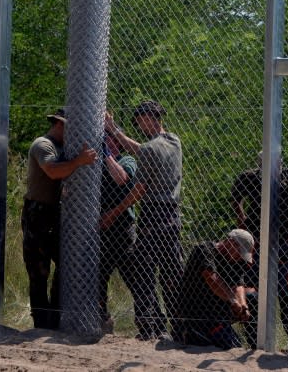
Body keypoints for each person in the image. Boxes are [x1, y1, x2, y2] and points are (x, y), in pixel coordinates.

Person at [103, 100, 183, 341]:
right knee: (171, 273)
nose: (139, 126)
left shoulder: (149, 150)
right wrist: (114, 128)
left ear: (149, 118)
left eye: (140, 121)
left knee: (143, 271)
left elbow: (139, 189)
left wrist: (113, 213)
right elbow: (143, 149)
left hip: (152, 215)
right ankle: (179, 326)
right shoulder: (174, 141)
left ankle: (149, 328)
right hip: (172, 216)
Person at [230, 152, 288, 354]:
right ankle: (255, 341)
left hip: (281, 241)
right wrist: (241, 216)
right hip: (255, 243)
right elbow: (234, 197)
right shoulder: (250, 177)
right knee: (251, 292)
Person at [22, 108, 98, 330]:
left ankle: (54, 320)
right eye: (70, 128)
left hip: (56, 213)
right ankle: (42, 324)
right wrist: (79, 161)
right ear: (59, 124)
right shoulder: (43, 145)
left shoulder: (65, 147)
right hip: (37, 213)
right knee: (38, 271)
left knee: (65, 264)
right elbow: (53, 171)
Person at [171, 229, 254, 349]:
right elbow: (211, 279)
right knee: (231, 345)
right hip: (197, 315)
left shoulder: (234, 260)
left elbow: (238, 284)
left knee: (252, 297)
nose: (241, 257)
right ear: (231, 243)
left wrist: (243, 305)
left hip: (218, 315)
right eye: (240, 252)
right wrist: (232, 300)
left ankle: (256, 347)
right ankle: (187, 333)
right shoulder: (204, 250)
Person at [97, 133, 137, 334]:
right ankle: (103, 320)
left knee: (134, 277)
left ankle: (150, 323)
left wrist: (106, 153)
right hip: (101, 231)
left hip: (122, 229)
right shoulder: (97, 163)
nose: (105, 142)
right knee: (98, 277)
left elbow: (121, 178)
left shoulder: (126, 160)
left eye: (109, 139)